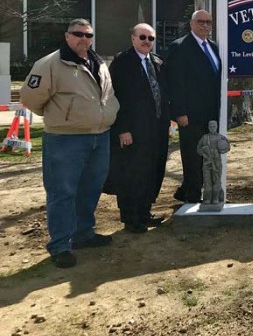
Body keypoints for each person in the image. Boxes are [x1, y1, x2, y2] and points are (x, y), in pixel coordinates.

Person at [20, 18, 119, 268]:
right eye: (78, 34)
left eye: (88, 35)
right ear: (67, 36)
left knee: (91, 188)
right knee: (62, 193)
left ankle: (83, 233)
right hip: (65, 140)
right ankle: (60, 245)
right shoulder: (50, 64)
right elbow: (30, 98)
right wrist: (63, 117)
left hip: (99, 136)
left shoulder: (98, 61)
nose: (84, 39)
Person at [105, 23, 169, 233]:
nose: (146, 42)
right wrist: (122, 129)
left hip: (156, 129)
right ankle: (130, 218)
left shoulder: (157, 62)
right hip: (132, 131)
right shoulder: (122, 62)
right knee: (131, 173)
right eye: (142, 37)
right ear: (133, 38)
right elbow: (115, 97)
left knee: (151, 171)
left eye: (151, 38)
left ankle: (144, 212)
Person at [165, 10, 222, 203]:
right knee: (192, 156)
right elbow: (175, 83)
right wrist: (179, 112)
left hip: (211, 115)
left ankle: (188, 190)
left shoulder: (213, 47)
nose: (205, 25)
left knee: (208, 157)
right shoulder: (180, 47)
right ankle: (192, 196)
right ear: (191, 23)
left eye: (208, 22)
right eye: (200, 22)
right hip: (190, 115)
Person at [197, 120, 230, 207]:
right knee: (207, 180)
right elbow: (198, 149)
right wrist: (205, 153)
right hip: (207, 162)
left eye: (214, 126)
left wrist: (221, 149)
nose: (212, 128)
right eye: (210, 126)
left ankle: (216, 197)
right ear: (208, 127)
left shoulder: (220, 137)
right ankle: (207, 198)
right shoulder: (204, 137)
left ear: (217, 127)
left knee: (216, 180)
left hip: (217, 162)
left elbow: (227, 147)